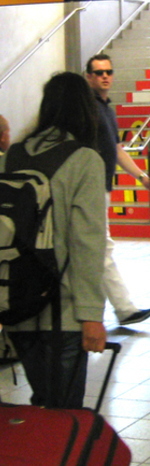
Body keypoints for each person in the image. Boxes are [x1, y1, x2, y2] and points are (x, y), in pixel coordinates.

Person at [1, 72, 107, 408]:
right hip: (65, 313)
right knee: (64, 412)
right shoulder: (84, 160)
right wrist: (92, 314)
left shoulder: (13, 155)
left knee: (42, 403)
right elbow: (87, 242)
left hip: (18, 305)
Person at [85, 53, 150, 326]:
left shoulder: (107, 109)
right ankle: (123, 308)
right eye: (99, 72)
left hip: (102, 186)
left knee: (99, 248)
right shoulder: (87, 109)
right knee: (102, 247)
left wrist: (141, 177)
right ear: (89, 77)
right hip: (89, 188)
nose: (105, 76)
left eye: (108, 71)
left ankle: (111, 310)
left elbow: (116, 150)